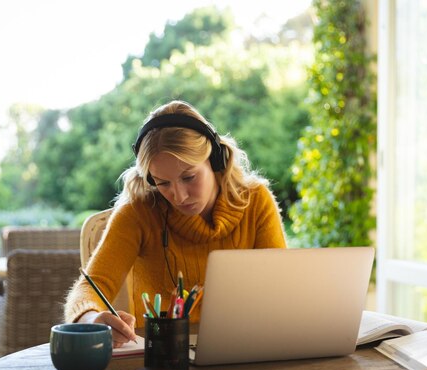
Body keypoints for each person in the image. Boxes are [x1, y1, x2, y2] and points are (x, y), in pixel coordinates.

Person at [64, 100, 287, 347]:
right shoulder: (139, 211)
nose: (179, 196)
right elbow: (89, 287)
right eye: (163, 183)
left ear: (215, 160)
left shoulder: (255, 201)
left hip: (245, 348)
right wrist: (92, 317)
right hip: (162, 356)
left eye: (188, 177)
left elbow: (280, 291)